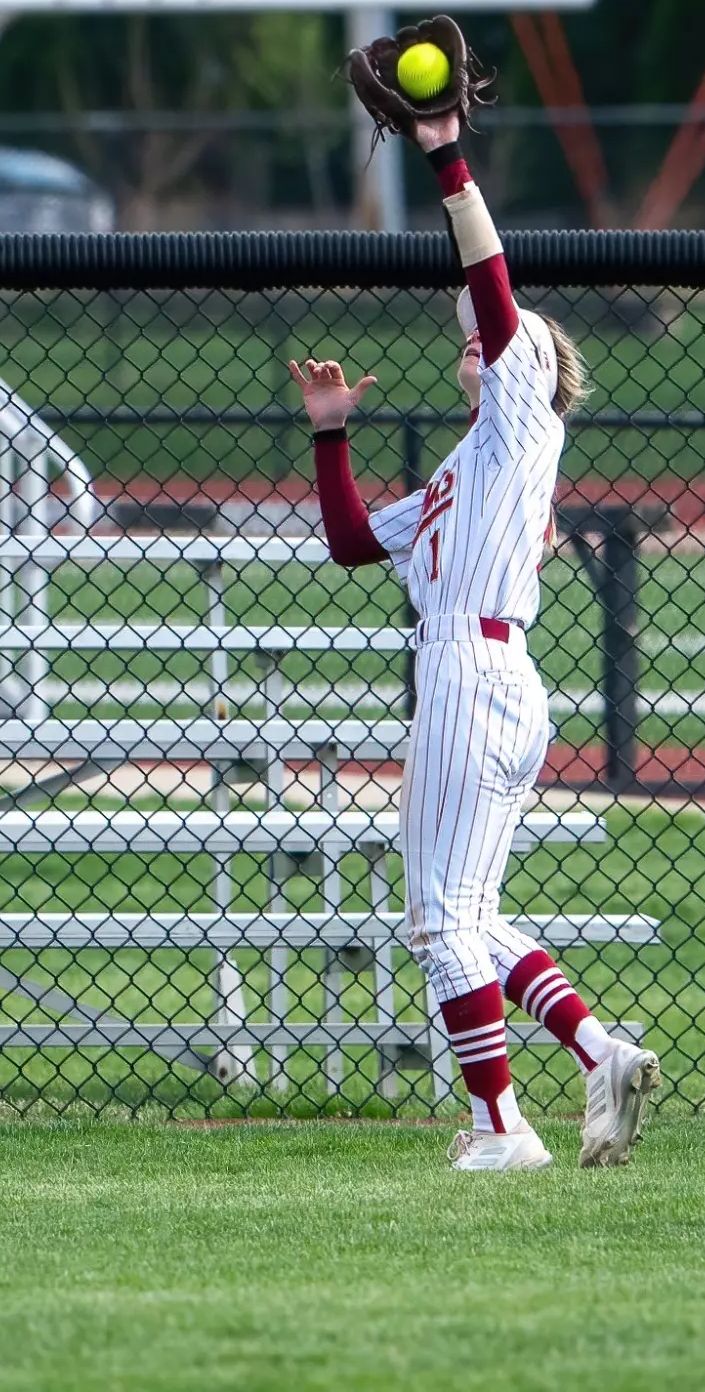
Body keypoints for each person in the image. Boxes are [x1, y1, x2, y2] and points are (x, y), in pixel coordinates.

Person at [289, 108, 661, 1172]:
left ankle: (502, 1128)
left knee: (438, 923)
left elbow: (491, 292)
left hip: (470, 669)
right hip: (493, 673)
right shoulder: (470, 465)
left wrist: (445, 154)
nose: (488, 336)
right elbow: (353, 543)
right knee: (474, 913)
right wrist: (331, 435)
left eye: (506, 337)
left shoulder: (523, 410)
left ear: (531, 367)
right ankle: (600, 1052)